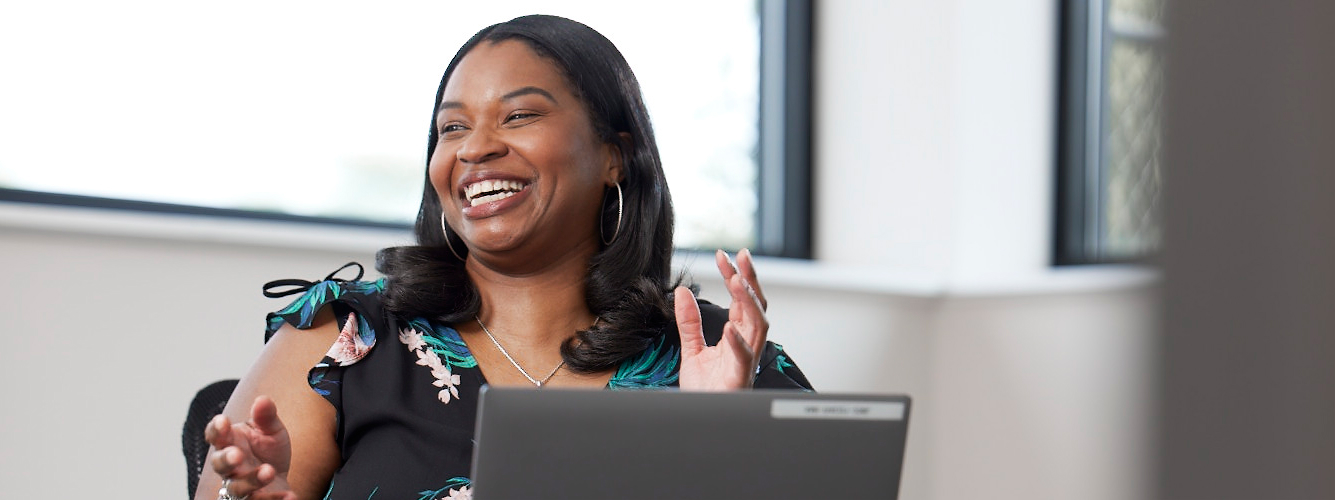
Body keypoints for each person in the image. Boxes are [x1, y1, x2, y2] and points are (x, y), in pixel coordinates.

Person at [197, 14, 812, 500]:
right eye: (452, 128)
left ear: (614, 156)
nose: (476, 150)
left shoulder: (713, 355)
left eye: (518, 116)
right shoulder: (346, 339)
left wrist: (721, 444)